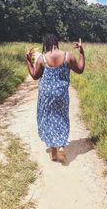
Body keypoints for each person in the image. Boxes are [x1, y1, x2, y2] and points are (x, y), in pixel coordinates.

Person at [25, 34, 85, 162]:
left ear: (45, 44)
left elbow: (35, 76)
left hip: (45, 94)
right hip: (61, 94)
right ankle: (61, 146)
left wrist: (28, 60)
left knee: (47, 118)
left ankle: (53, 151)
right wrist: (81, 53)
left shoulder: (42, 59)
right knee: (61, 117)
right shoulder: (68, 56)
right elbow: (80, 70)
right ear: (56, 43)